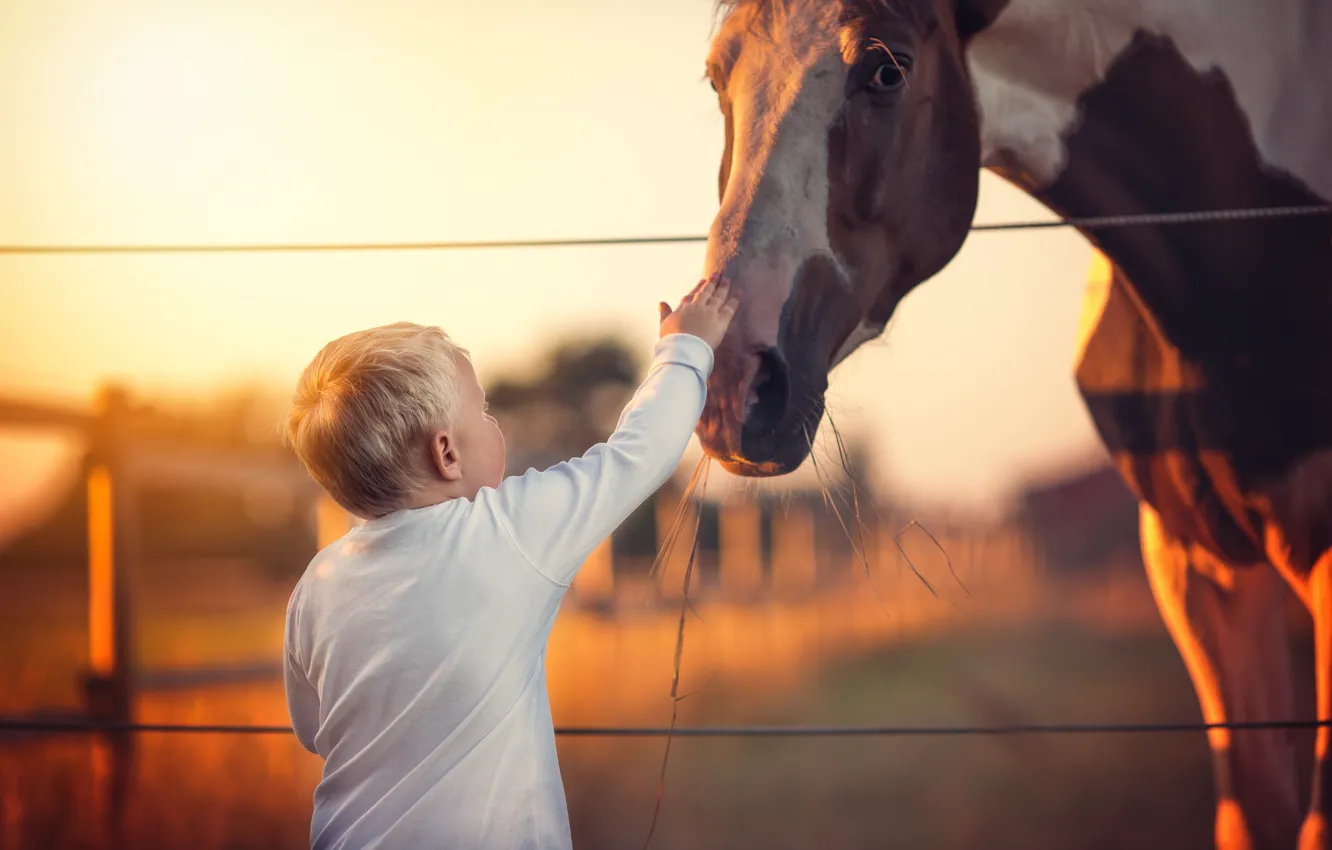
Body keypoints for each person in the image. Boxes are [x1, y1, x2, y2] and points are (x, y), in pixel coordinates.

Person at [281, 279, 739, 849]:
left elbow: (313, 729)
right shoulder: (505, 532)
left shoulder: (316, 585)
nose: (496, 425)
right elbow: (636, 456)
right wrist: (686, 347)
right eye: (485, 411)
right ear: (446, 453)